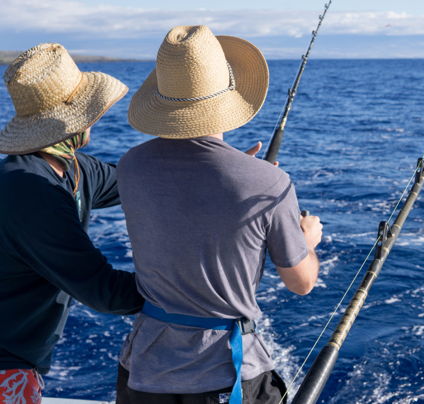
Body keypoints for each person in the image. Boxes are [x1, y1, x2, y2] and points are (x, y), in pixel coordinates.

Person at [115, 25, 323, 404]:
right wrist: (306, 239)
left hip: (145, 373)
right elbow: (301, 283)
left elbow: (180, 202)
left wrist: (234, 179)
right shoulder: (269, 183)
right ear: (228, 94)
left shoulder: (131, 167)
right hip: (225, 379)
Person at [0, 43, 144, 403]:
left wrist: (227, 173)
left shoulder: (74, 167)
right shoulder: (29, 190)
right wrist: (186, 291)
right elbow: (103, 290)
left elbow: (140, 182)